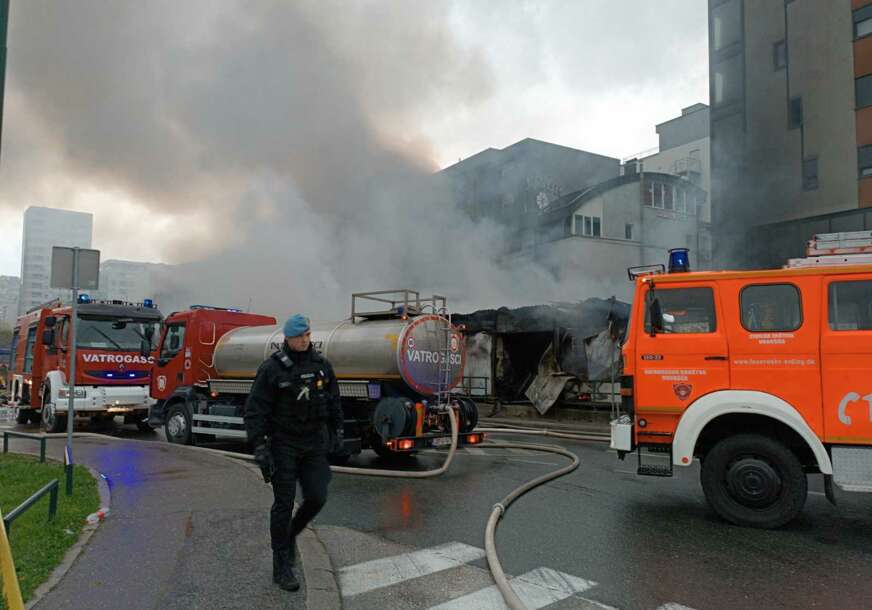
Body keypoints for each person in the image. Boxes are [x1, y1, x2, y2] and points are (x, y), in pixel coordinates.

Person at [244, 314, 344, 592]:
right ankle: (281, 564)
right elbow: (255, 411)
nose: (304, 340)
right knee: (284, 503)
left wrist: (338, 433)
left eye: (308, 335)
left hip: (314, 443)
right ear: (287, 338)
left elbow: (335, 402)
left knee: (317, 497)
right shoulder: (272, 369)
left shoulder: (322, 366)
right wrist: (260, 447)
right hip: (283, 444)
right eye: (299, 336)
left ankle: (289, 539)